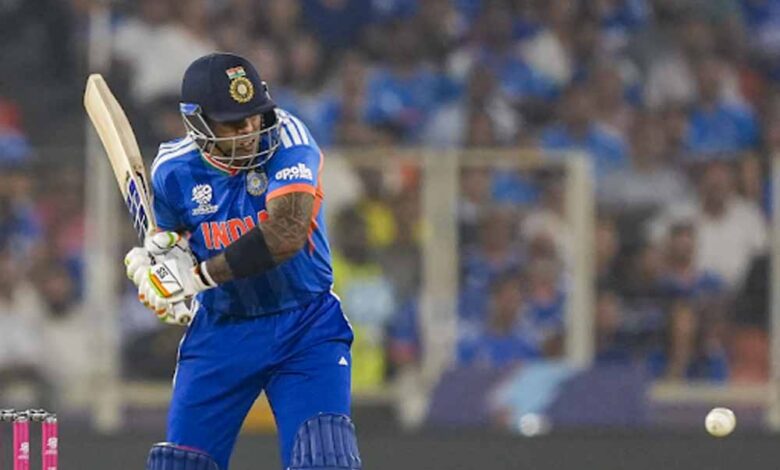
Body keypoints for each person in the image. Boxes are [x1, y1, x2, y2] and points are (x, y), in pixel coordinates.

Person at [123, 53, 361, 470]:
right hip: (222, 330)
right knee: (182, 465)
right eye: (233, 123)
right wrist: (158, 271)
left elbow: (286, 232)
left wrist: (196, 278)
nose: (249, 131)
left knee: (325, 456)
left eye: (254, 116)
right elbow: (169, 242)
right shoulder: (173, 170)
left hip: (305, 325)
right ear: (198, 123)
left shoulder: (289, 140)